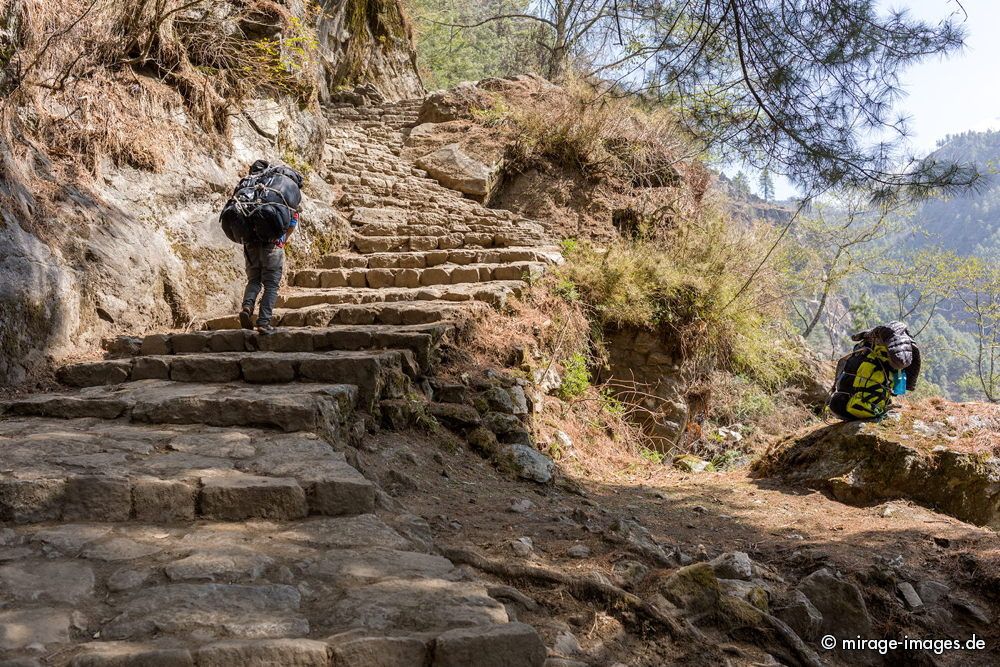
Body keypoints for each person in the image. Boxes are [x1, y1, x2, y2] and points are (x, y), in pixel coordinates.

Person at [828, 321, 921, 421]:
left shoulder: (868, 341)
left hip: (837, 405)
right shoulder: (897, 340)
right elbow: (901, 362)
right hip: (861, 407)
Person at [238, 210, 297, 334]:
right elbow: (292, 223)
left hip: (251, 246)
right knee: (271, 286)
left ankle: (247, 307)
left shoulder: (255, 196)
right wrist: (283, 240)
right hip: (273, 245)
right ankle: (263, 322)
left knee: (254, 280)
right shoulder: (285, 200)